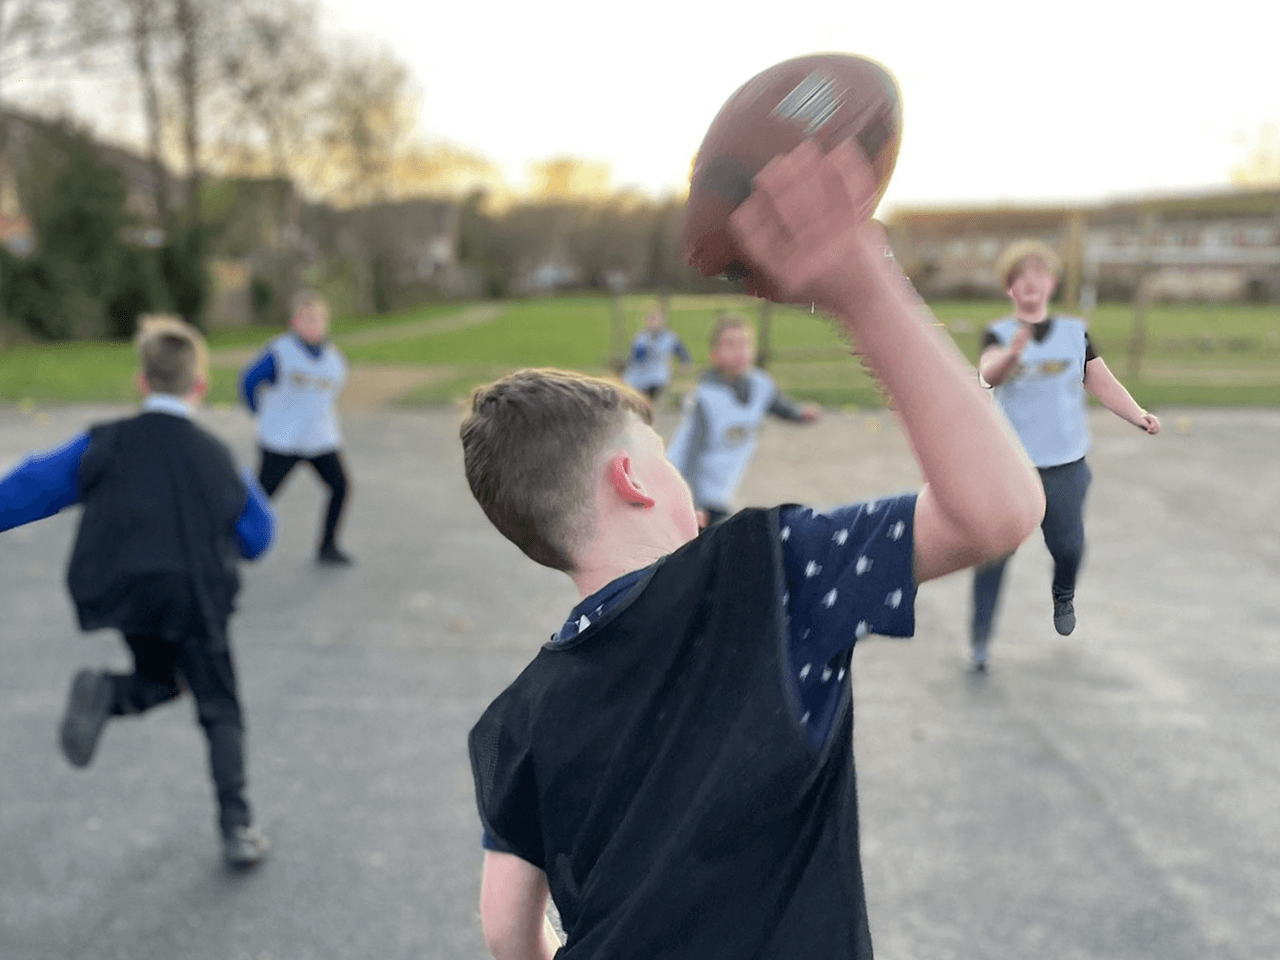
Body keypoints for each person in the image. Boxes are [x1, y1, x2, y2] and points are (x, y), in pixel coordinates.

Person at [461, 140, 1045, 960]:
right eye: (661, 454)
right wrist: (860, 284)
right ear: (633, 479)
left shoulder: (518, 717)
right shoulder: (767, 575)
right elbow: (1000, 510)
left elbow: (505, 931)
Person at [0, 315, 276, 868]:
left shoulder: (103, 443)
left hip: (126, 593)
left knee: (161, 677)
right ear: (198, 385)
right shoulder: (216, 458)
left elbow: (29, 487)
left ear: (142, 381)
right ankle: (238, 827)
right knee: (219, 708)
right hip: (196, 596)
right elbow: (258, 535)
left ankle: (110, 690)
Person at [970, 239, 1161, 671]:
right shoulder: (999, 334)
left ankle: (1063, 594)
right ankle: (979, 640)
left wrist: (1137, 414)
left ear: (1051, 284)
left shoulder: (1076, 333)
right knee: (993, 554)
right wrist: (1013, 354)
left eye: (1038, 275)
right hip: (1010, 468)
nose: (1030, 284)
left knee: (1069, 547)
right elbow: (987, 374)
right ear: (1010, 289)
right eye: (1021, 278)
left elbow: (1102, 383)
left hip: (1065, 466)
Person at [666, 312, 820, 527]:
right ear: (714, 354)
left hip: (720, 492)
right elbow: (691, 453)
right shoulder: (704, 397)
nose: (740, 351)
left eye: (745, 343)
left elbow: (778, 405)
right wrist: (692, 502)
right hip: (685, 488)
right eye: (730, 344)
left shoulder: (761, 384)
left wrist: (800, 413)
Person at [240, 290, 353, 565]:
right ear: (294, 322)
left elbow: (332, 395)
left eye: (318, 320)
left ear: (326, 323)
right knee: (260, 498)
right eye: (307, 319)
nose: (313, 325)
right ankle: (231, 543)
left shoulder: (335, 359)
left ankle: (328, 546)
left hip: (319, 440)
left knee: (340, 486)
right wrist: (260, 412)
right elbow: (248, 382)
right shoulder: (279, 353)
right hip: (282, 441)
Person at [621, 308, 691, 401]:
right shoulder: (641, 338)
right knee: (628, 388)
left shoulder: (669, 337)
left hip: (658, 375)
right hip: (639, 373)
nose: (653, 324)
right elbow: (634, 359)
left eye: (656, 321)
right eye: (651, 320)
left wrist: (685, 364)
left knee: (651, 390)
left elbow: (683, 354)